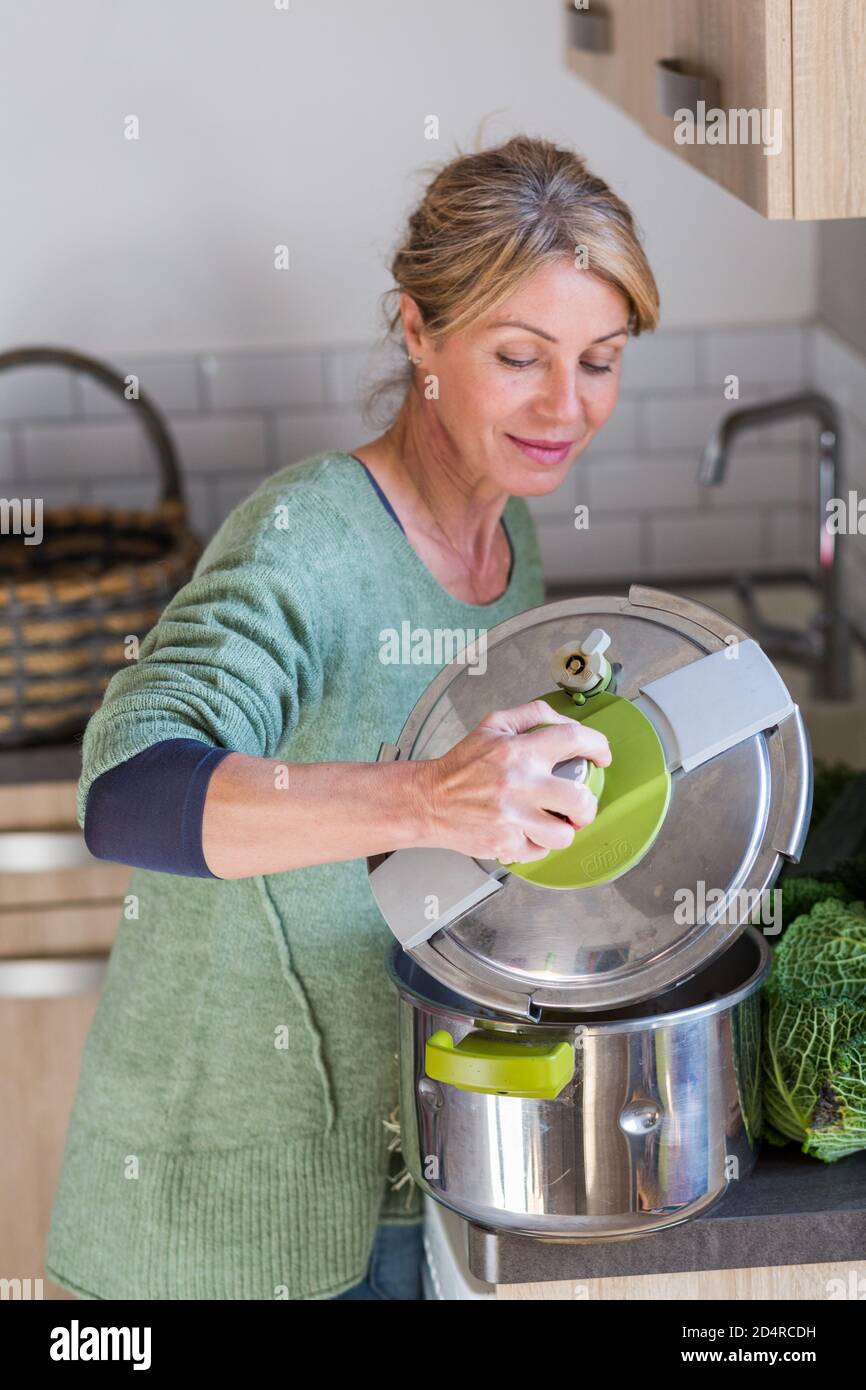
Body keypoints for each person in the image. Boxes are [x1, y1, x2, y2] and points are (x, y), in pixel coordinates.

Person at [45, 133, 659, 1300]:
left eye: (599, 359)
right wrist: (428, 798)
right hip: (214, 1224)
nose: (563, 406)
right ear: (418, 333)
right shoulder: (309, 539)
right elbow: (126, 790)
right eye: (518, 355)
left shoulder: (505, 541)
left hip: (393, 1179)